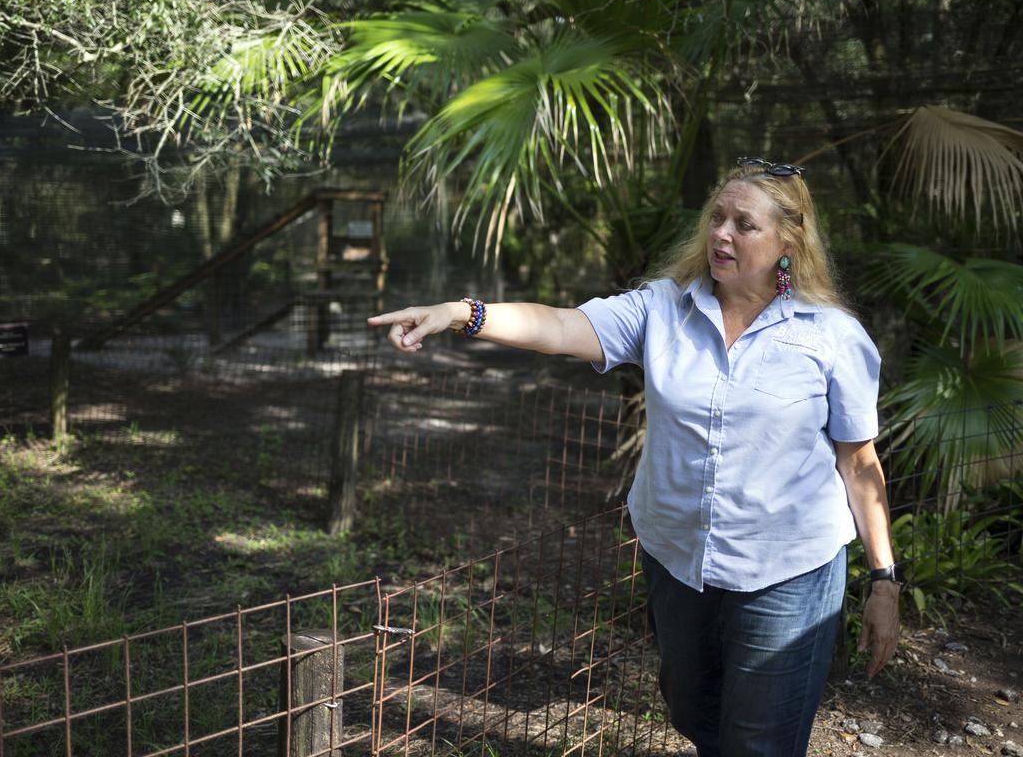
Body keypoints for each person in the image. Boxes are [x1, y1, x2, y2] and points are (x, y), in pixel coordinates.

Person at [367, 157, 900, 756]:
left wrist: (884, 579)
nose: (721, 233)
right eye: (716, 218)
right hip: (678, 560)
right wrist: (464, 314)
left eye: (743, 225)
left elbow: (859, 466)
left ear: (788, 242)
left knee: (761, 741)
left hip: (786, 570)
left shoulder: (832, 337)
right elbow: (561, 325)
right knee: (695, 713)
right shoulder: (662, 310)